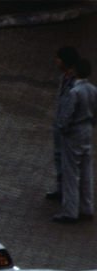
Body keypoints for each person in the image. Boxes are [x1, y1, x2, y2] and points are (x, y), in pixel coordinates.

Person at [54, 58, 97, 223]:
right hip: (87, 130)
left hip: (74, 133)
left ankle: (70, 212)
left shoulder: (74, 92)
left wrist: (62, 129)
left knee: (71, 173)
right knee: (86, 171)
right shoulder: (93, 89)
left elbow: (66, 117)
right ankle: (87, 208)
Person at [48, 45, 80, 201]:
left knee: (69, 162)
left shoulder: (75, 83)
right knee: (59, 157)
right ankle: (61, 190)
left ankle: (70, 196)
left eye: (58, 58)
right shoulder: (64, 78)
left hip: (69, 130)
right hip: (60, 127)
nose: (56, 61)